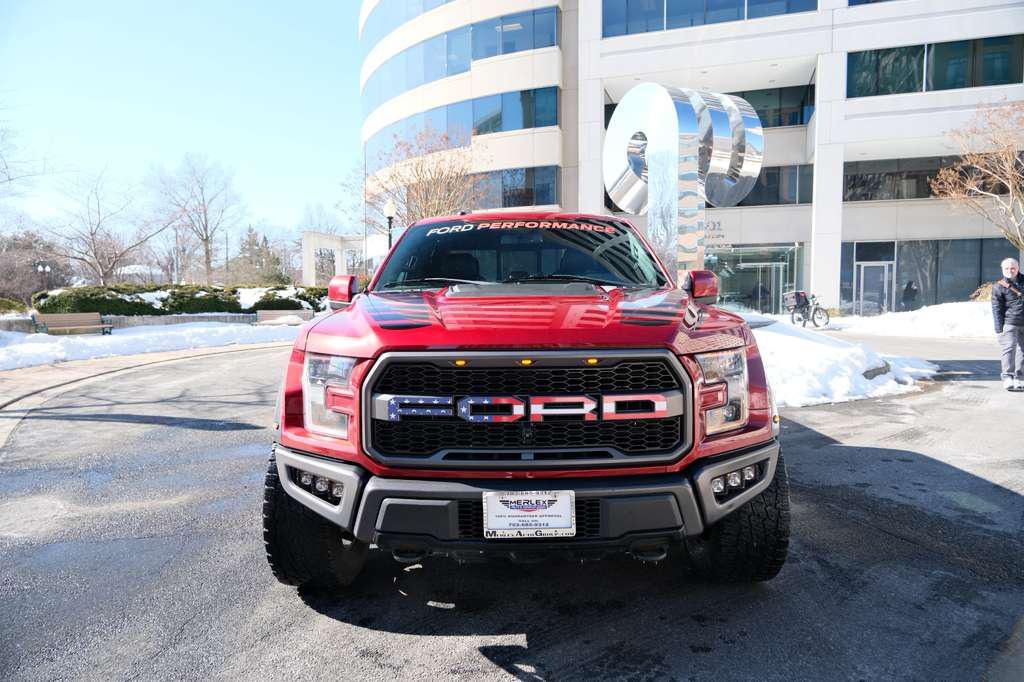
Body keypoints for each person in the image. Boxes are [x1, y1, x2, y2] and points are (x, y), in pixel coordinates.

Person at [993, 257, 1024, 392]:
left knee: (1023, 351)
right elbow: (997, 309)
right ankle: (1007, 376)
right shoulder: (998, 286)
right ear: (1002, 269)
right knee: (1009, 348)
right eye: (1007, 268)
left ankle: (1019, 377)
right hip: (1010, 322)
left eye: (1013, 268)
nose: (1010, 270)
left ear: (1018, 268)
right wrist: (999, 329)